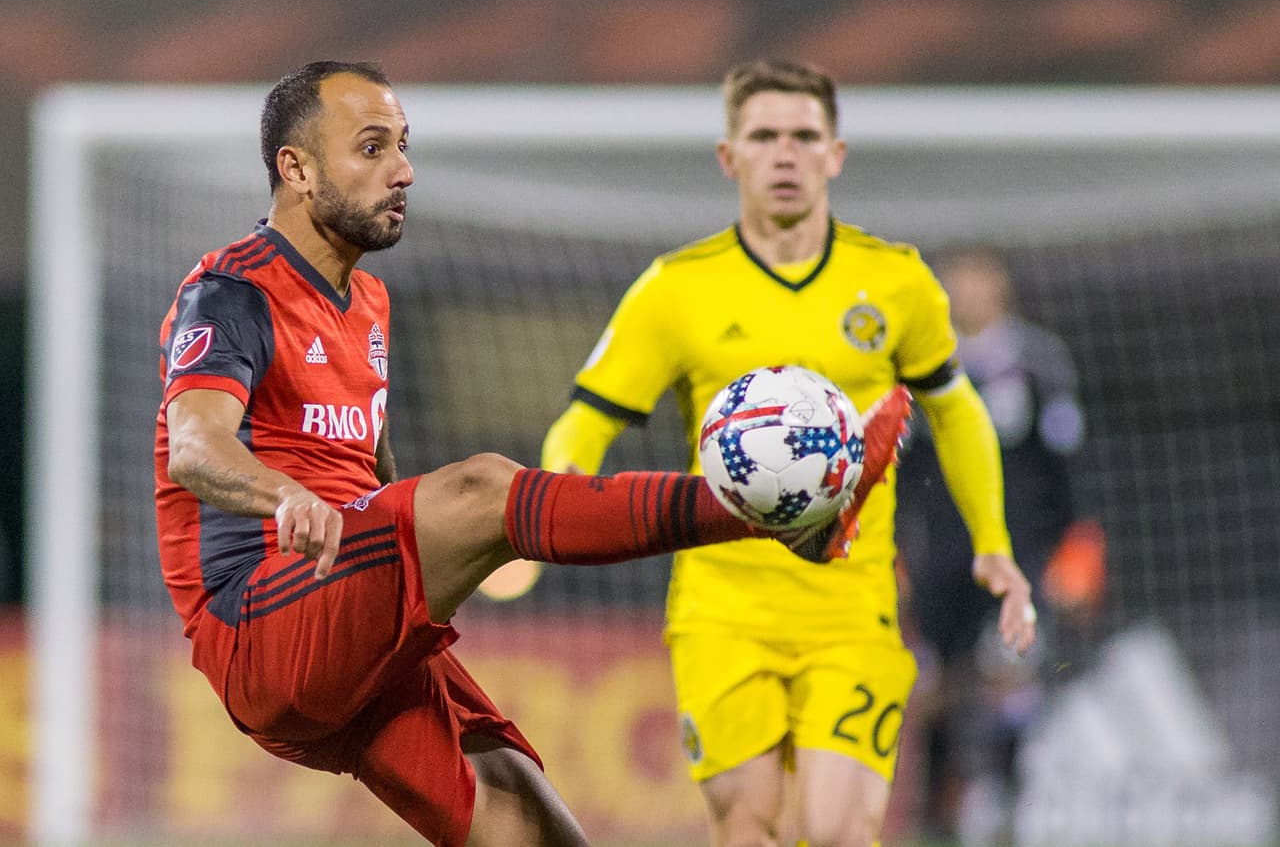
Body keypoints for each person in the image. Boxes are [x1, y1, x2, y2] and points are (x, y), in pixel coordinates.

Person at [153, 60, 906, 847]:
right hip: (263, 618)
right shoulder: (232, 290)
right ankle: (770, 520)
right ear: (296, 168)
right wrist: (287, 498)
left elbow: (367, 469)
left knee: (526, 814)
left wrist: (426, 569)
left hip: (343, 624)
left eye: (403, 146)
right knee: (485, 486)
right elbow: (196, 448)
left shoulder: (366, 299)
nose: (404, 171)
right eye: (372, 149)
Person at [541, 59, 1037, 847]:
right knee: (749, 827)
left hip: (852, 610)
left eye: (804, 136)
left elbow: (957, 409)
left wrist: (993, 544)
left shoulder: (896, 282)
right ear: (728, 156)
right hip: (721, 612)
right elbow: (587, 420)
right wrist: (552, 505)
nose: (785, 154)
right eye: (764, 136)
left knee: (837, 832)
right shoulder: (674, 290)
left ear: (835, 154)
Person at [895, 244, 1088, 844]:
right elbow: (904, 468)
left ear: (1000, 288)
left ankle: (1008, 811)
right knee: (935, 683)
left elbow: (1064, 466)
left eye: (978, 280)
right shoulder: (926, 363)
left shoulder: (1037, 362)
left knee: (1011, 672)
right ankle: (936, 813)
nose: (967, 291)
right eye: (958, 282)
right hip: (944, 554)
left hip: (1019, 552)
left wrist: (1070, 548)